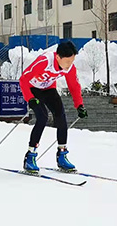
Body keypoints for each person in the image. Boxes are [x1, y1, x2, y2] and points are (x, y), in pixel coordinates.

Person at [19, 41, 88, 172]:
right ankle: (30, 156)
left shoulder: (70, 67)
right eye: (67, 62)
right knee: (42, 117)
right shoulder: (44, 61)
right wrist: (30, 98)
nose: (69, 66)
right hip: (33, 89)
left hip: (48, 89)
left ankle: (62, 155)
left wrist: (79, 105)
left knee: (61, 116)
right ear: (58, 57)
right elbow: (23, 80)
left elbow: (74, 86)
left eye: (72, 61)